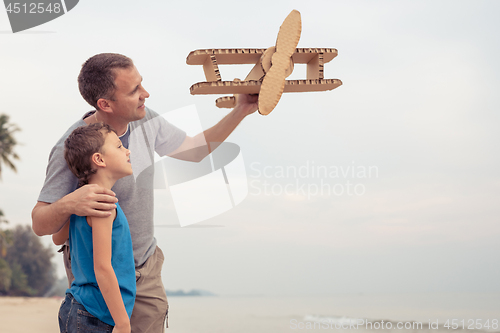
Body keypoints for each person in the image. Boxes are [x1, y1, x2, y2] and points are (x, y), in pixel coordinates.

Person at [31, 53, 258, 332]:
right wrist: (69, 204)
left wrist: (241, 109)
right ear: (105, 104)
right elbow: (41, 223)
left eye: (141, 84)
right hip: (98, 280)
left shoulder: (146, 119)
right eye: (134, 91)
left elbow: (195, 150)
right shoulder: (72, 146)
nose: (145, 94)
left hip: (145, 266)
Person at [54, 122, 135, 333]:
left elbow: (57, 238)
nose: (127, 151)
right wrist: (123, 322)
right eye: (119, 146)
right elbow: (102, 267)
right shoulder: (103, 202)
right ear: (99, 159)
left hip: (76, 305)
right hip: (96, 314)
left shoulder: (81, 201)